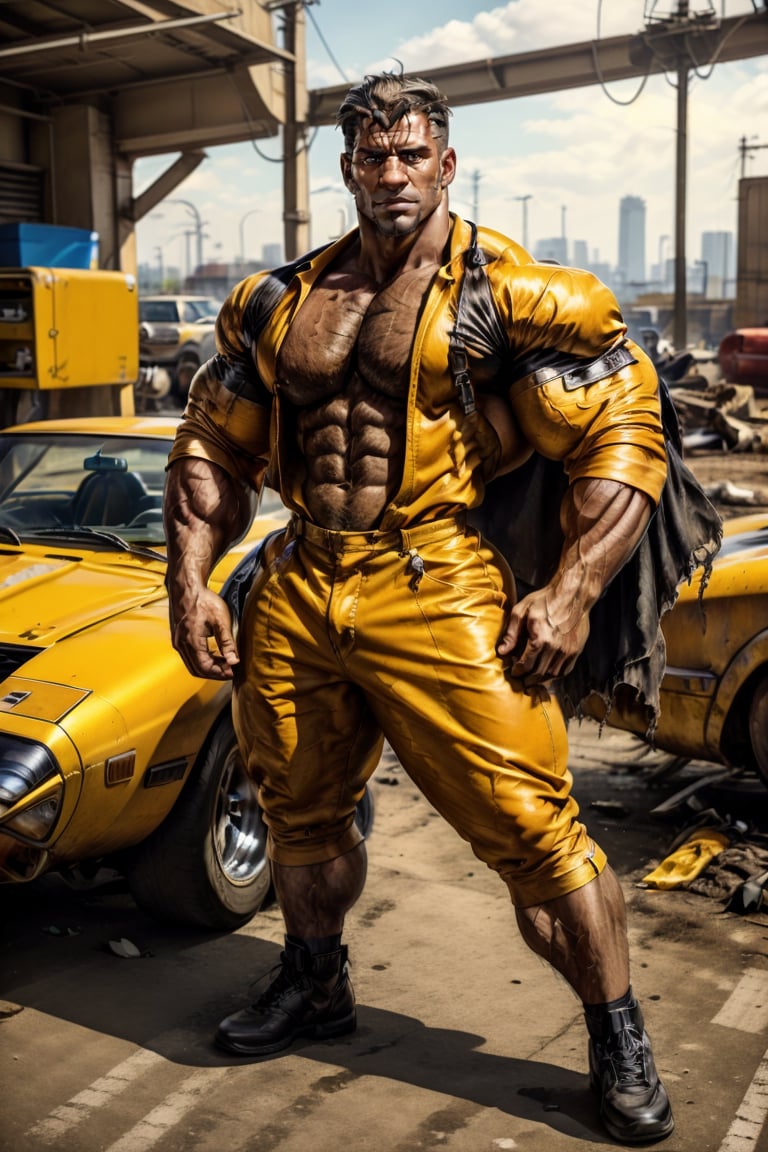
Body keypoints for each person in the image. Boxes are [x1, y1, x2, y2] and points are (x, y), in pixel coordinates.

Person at [163, 71, 714, 1144]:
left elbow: (624, 430)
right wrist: (188, 579)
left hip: (437, 579)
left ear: (447, 164)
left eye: (414, 155)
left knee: (533, 831)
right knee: (298, 812)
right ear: (348, 169)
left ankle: (617, 1034)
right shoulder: (281, 299)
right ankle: (314, 984)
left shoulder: (505, 294)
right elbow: (211, 441)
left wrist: (570, 589)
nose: (395, 174)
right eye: (375, 157)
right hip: (302, 576)